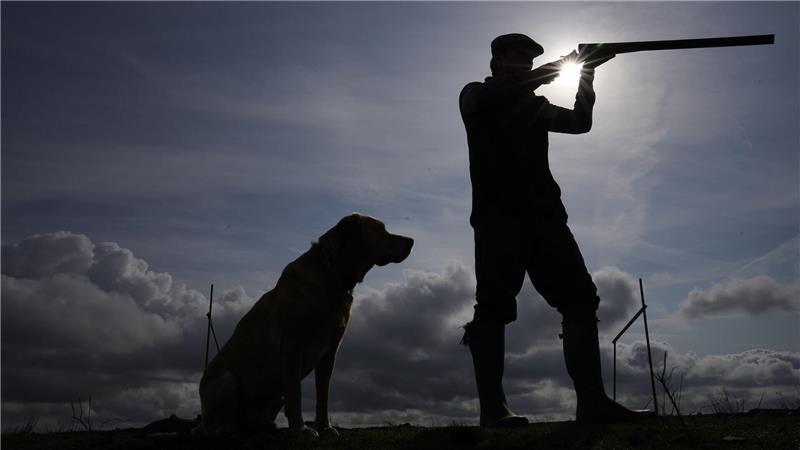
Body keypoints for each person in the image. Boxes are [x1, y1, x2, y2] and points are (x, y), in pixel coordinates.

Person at [459, 33, 643, 427]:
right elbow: (502, 94)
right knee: (493, 307)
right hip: (498, 220)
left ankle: (592, 404)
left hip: (546, 218)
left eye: (529, 60)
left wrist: (586, 74)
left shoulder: (533, 105)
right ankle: (493, 410)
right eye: (517, 57)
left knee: (580, 300)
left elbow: (579, 123)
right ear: (497, 60)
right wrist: (563, 64)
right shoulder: (475, 95)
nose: (524, 65)